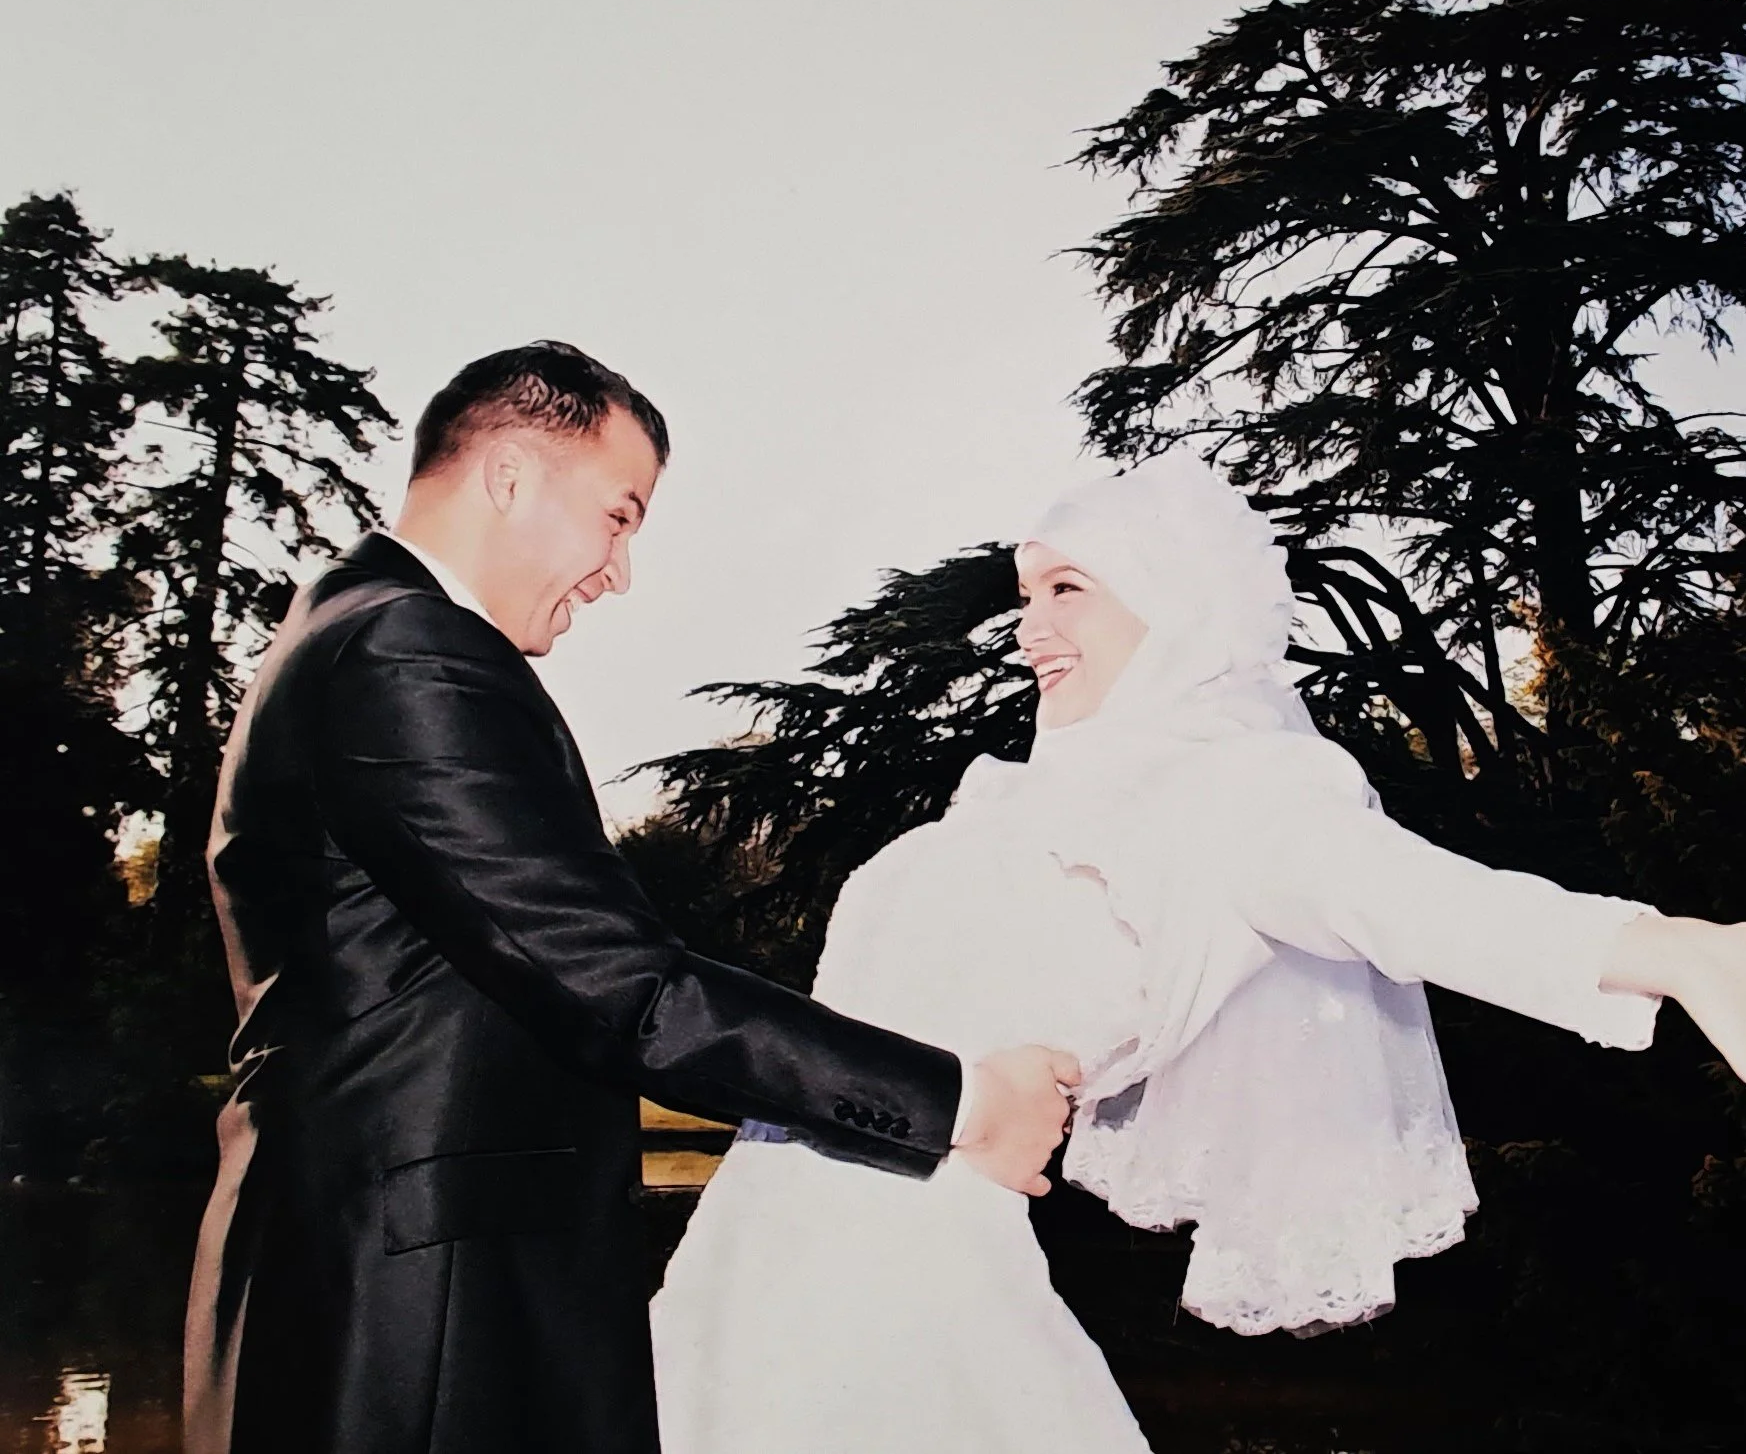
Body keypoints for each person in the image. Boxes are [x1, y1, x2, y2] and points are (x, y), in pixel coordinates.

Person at [650, 453, 1746, 1453]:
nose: (1028, 625)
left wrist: (1686, 952)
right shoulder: (1014, 801)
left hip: (895, 1308)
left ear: (1178, 608)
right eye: (1026, 591)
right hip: (744, 1272)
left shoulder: (1243, 798)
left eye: (1069, 589)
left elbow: (1432, 902)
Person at [181, 342, 1080, 1454]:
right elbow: (618, 985)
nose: (621, 570)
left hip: (387, 1269)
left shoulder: (347, 629)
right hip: (421, 1306)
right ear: (510, 475)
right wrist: (957, 1103)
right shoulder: (403, 648)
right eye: (619, 514)